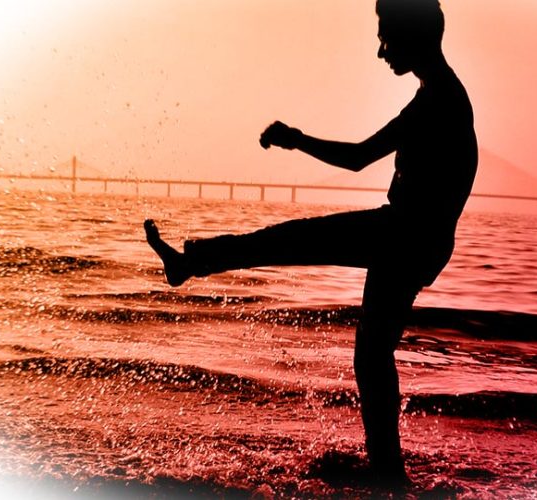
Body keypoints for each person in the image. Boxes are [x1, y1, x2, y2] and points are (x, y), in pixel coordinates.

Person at [144, 0, 476, 485]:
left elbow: (361, 158)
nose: (381, 49)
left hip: (404, 235)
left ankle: (190, 263)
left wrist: (296, 139)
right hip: (414, 238)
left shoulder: (439, 99)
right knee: (370, 352)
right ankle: (389, 471)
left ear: (414, 35)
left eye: (386, 36)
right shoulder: (437, 93)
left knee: (290, 241)